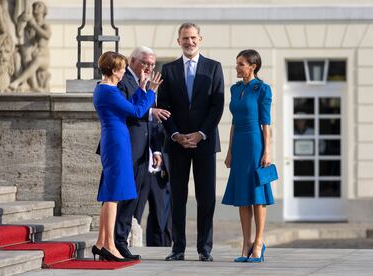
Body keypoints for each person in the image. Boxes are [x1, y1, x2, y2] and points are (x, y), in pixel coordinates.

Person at [158, 22, 224, 262]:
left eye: (193, 37)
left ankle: (204, 248)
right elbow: (163, 106)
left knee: (206, 197)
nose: (190, 42)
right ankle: (178, 248)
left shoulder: (214, 68)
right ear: (179, 41)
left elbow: (218, 105)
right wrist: (175, 134)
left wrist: (201, 133)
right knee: (177, 197)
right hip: (176, 144)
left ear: (200, 39)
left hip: (204, 143)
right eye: (185, 38)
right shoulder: (168, 69)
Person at [92, 51, 161, 262]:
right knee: (113, 196)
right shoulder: (108, 91)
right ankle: (110, 245)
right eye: (122, 68)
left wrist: (141, 88)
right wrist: (151, 92)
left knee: (109, 195)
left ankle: (101, 242)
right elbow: (137, 111)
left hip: (116, 139)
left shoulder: (105, 89)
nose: (124, 71)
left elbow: (132, 107)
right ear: (113, 70)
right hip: (116, 142)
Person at [113, 46, 171, 257]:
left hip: (143, 153)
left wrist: (156, 150)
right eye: (145, 63)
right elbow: (129, 110)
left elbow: (154, 123)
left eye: (153, 64)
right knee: (121, 198)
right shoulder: (121, 79)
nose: (149, 67)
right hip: (125, 146)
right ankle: (116, 240)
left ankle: (121, 240)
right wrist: (150, 109)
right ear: (132, 61)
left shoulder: (148, 83)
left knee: (132, 199)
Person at [222, 49, 274, 263]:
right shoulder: (235, 89)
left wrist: (266, 151)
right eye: (237, 63)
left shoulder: (262, 89)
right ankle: (246, 244)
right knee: (243, 197)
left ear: (253, 66)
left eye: (241, 64)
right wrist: (229, 150)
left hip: (255, 143)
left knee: (256, 195)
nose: (237, 67)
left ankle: (259, 242)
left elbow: (266, 123)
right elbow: (233, 122)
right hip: (240, 144)